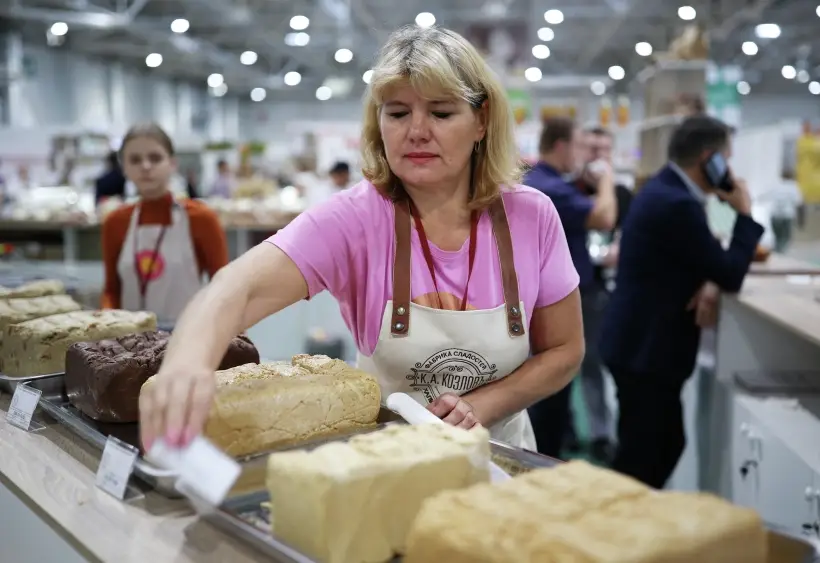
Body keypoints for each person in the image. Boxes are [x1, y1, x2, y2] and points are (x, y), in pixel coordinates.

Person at [138, 25, 584, 453]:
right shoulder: (355, 220)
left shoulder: (531, 216)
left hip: (501, 455)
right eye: (398, 113)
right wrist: (187, 362)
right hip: (388, 464)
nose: (417, 130)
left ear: (482, 119)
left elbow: (565, 349)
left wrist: (483, 405)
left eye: (442, 112)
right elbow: (237, 286)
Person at [599, 115, 764, 489]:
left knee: (656, 448)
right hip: (646, 352)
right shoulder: (677, 203)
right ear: (709, 159)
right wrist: (744, 212)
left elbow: (699, 260)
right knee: (648, 456)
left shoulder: (666, 189)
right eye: (726, 159)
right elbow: (729, 272)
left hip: (638, 346)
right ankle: (620, 531)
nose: (729, 170)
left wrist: (707, 278)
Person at [522, 116, 617, 459]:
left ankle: (560, 441)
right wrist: (607, 178)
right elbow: (604, 217)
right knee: (560, 374)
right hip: (561, 298)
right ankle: (549, 455)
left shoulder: (548, 182)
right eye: (579, 146)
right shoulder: (551, 189)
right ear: (561, 146)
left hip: (550, 294)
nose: (584, 154)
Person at [101, 123, 229, 326]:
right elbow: (112, 290)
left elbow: (223, 289)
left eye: (155, 158)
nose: (145, 166)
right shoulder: (116, 222)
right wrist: (105, 325)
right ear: (124, 168)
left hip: (188, 335)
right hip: (129, 343)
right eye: (135, 160)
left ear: (172, 163)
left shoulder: (201, 218)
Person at [760, 171, 802, 253]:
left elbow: (764, 196)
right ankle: (782, 253)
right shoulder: (793, 187)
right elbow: (799, 202)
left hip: (775, 216)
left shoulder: (776, 186)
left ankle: (778, 252)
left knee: (777, 237)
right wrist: (801, 220)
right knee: (785, 238)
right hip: (787, 216)